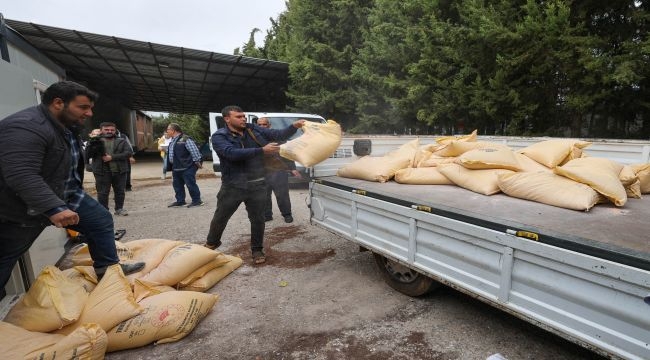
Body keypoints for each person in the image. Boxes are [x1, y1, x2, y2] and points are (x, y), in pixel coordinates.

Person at [0, 81, 144, 292]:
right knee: (6, 256)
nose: (89, 113)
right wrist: (52, 208)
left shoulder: (65, 127)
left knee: (100, 219)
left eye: (90, 108)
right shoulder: (26, 126)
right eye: (83, 107)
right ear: (58, 103)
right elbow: (22, 174)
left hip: (65, 195)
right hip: (20, 206)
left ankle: (108, 271)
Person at [206, 105, 305, 264]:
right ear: (227, 119)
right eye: (238, 116)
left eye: (243, 116)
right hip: (233, 185)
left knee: (258, 220)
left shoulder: (254, 129)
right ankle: (211, 243)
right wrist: (261, 151)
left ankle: (257, 250)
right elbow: (231, 154)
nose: (243, 118)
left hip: (257, 184)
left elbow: (278, 134)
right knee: (221, 217)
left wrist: (294, 126)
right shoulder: (219, 136)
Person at [256, 117, 301, 223]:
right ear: (257, 126)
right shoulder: (254, 138)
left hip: (278, 170)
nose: (262, 127)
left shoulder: (278, 137)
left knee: (282, 194)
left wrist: (293, 169)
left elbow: (287, 154)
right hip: (262, 171)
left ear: (269, 125)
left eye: (264, 124)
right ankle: (267, 215)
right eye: (260, 125)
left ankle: (287, 214)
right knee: (264, 195)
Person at [86, 122, 132, 216]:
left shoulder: (122, 140)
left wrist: (112, 157)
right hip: (101, 171)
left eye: (112, 130)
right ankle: (104, 211)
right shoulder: (94, 141)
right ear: (101, 130)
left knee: (120, 191)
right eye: (106, 130)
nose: (109, 131)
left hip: (120, 170)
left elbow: (128, 153)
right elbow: (87, 155)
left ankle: (119, 209)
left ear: (115, 130)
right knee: (102, 193)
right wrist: (92, 141)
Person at [165, 123, 204, 208]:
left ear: (173, 130)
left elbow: (195, 151)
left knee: (190, 184)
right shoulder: (172, 140)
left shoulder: (185, 139)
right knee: (177, 185)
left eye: (168, 129)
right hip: (176, 167)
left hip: (187, 167)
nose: (167, 131)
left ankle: (197, 201)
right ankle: (180, 201)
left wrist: (197, 163)